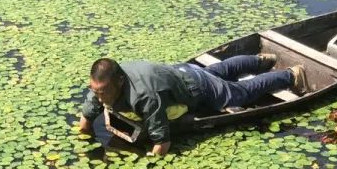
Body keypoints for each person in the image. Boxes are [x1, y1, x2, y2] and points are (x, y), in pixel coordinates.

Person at [77, 56, 309, 156]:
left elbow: (162, 142)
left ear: (119, 81)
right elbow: (86, 121)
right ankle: (259, 60)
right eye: (95, 90)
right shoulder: (101, 86)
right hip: (181, 71)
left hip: (195, 86)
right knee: (216, 71)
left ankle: (290, 74)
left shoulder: (144, 96)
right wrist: (84, 148)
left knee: (239, 93)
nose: (99, 96)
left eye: (103, 91)